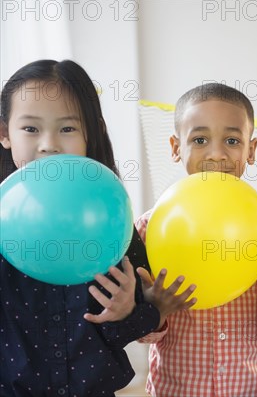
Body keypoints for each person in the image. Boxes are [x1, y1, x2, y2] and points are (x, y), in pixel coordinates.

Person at [0, 59, 164, 396]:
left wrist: (128, 310)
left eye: (67, 128)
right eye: (31, 129)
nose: (49, 144)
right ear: (5, 134)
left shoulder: (110, 220)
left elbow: (128, 329)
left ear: (93, 132)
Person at [134, 82, 257, 397]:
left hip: (251, 390)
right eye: (200, 139)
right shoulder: (149, 230)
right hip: (175, 391)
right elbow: (141, 336)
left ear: (251, 149)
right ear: (176, 147)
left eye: (232, 140)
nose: (217, 154)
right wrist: (156, 310)